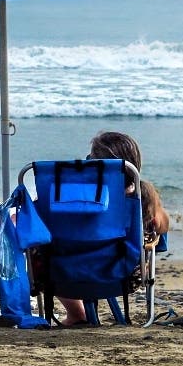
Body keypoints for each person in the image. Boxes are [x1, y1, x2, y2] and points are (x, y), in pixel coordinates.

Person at [55, 130, 168, 326]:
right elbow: (163, 226)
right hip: (123, 274)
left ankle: (76, 312)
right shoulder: (142, 196)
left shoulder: (72, 195)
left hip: (65, 272)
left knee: (44, 249)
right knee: (149, 234)